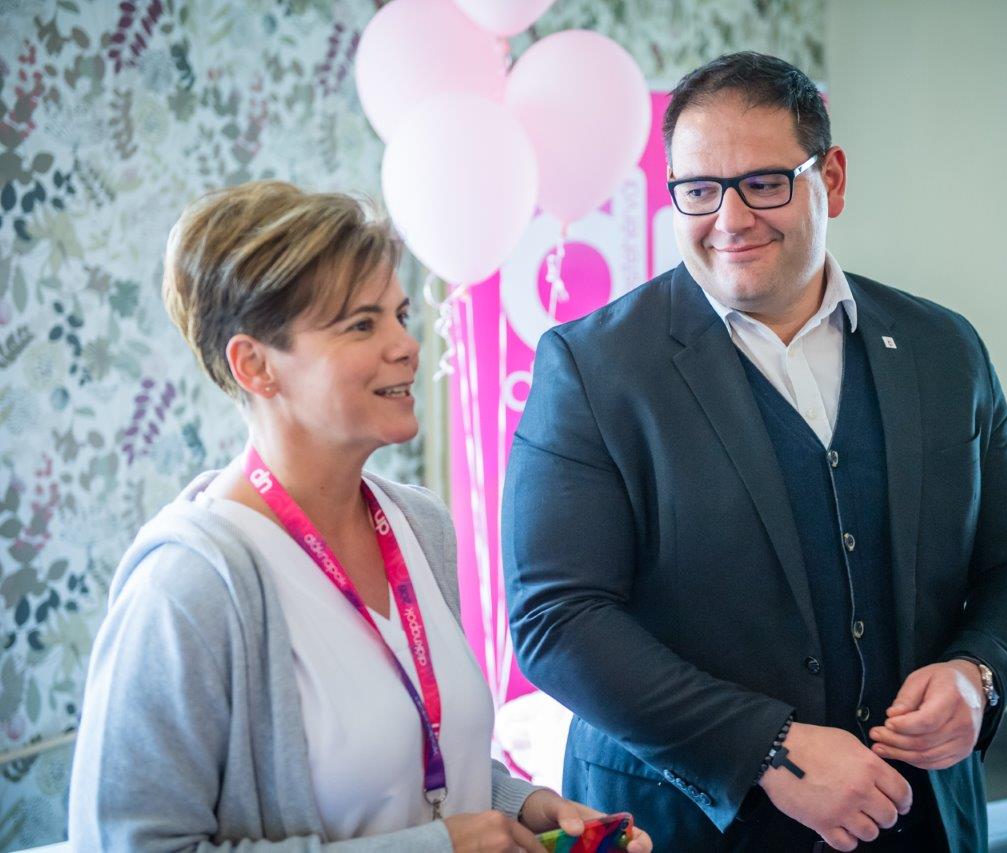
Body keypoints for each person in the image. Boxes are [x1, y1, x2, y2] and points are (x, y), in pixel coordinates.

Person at [502, 52, 1007, 852]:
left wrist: (979, 673)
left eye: (765, 183)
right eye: (700, 190)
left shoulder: (944, 349)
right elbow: (557, 619)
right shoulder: (593, 368)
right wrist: (765, 747)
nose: (730, 219)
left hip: (921, 820)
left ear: (830, 179)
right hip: (685, 824)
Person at [69, 181, 652, 853]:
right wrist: (437, 848)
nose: (407, 344)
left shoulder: (419, 526)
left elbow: (417, 772)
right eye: (361, 324)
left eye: (400, 314)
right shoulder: (189, 585)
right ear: (254, 365)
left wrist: (520, 806)